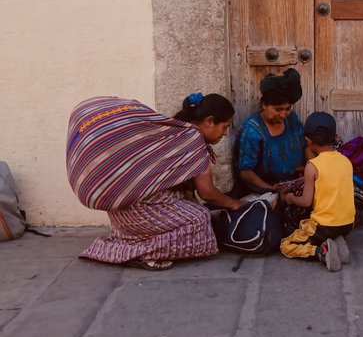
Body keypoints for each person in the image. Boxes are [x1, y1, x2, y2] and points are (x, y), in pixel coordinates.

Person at [66, 93, 243, 270]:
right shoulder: (194, 140)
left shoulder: (174, 131)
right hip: (141, 211)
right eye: (224, 127)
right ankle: (141, 253)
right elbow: (207, 193)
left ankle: (129, 242)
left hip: (122, 216)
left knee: (194, 208)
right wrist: (233, 204)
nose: (225, 134)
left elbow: (187, 192)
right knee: (201, 219)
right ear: (209, 121)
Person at [279, 112, 355, 272]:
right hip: (348, 224)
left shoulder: (312, 166)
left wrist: (291, 198)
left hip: (325, 226)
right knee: (319, 226)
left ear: (308, 141)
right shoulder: (346, 161)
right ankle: (337, 241)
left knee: (286, 245)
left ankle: (320, 251)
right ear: (335, 137)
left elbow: (306, 202)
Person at [232, 68, 306, 198]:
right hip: (266, 190)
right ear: (264, 104)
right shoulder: (252, 131)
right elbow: (246, 172)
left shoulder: (292, 118)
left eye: (288, 108)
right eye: (278, 109)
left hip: (295, 182)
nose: (284, 114)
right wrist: (271, 189)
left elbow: (305, 143)